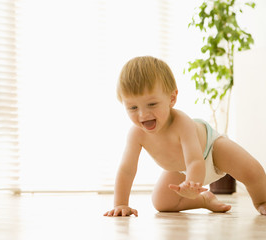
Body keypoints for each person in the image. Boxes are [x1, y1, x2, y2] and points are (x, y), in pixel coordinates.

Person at [104, 56, 266, 217]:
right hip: (182, 169)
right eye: (132, 107)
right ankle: (204, 201)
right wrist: (121, 203)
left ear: (172, 98)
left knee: (252, 171)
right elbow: (126, 170)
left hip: (212, 151)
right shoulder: (136, 134)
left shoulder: (182, 123)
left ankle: (262, 201)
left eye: (152, 104)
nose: (143, 114)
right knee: (161, 201)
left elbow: (195, 160)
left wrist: (192, 183)